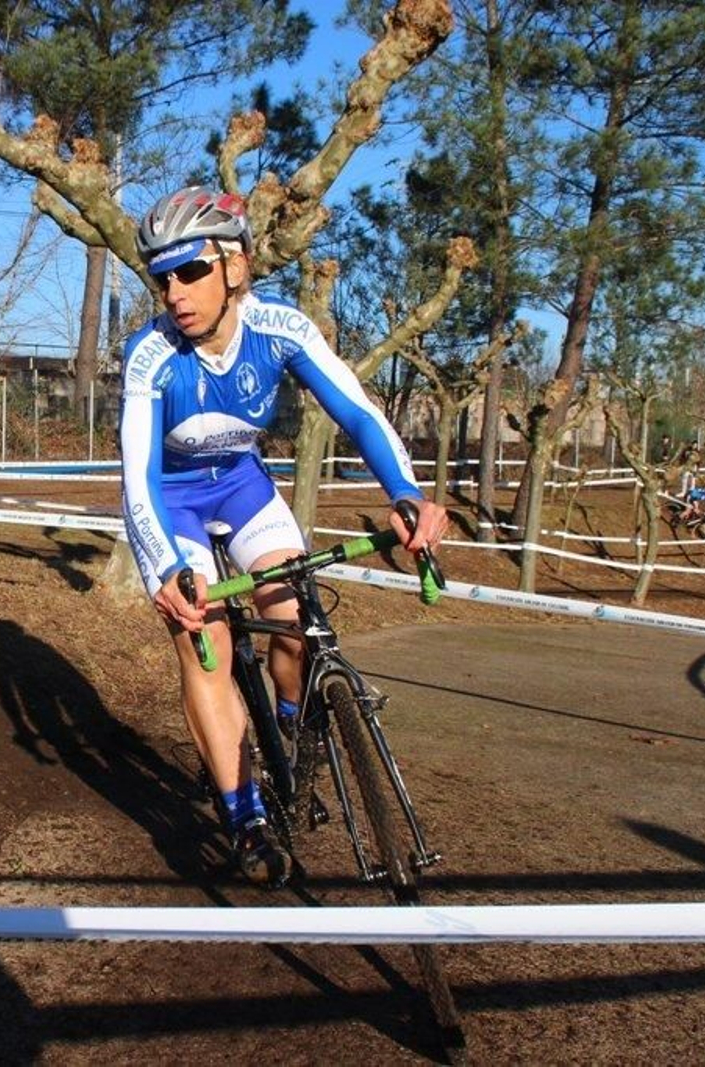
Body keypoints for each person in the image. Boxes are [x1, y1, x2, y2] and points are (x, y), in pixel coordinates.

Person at [118, 186, 449, 887]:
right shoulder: (151, 355)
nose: (174, 291)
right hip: (171, 502)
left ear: (235, 265)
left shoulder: (281, 329)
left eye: (191, 271)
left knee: (296, 615)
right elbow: (139, 477)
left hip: (240, 487)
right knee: (204, 642)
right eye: (162, 277)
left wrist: (407, 492)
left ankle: (295, 726)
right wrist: (166, 575)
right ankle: (244, 816)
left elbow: (358, 413)